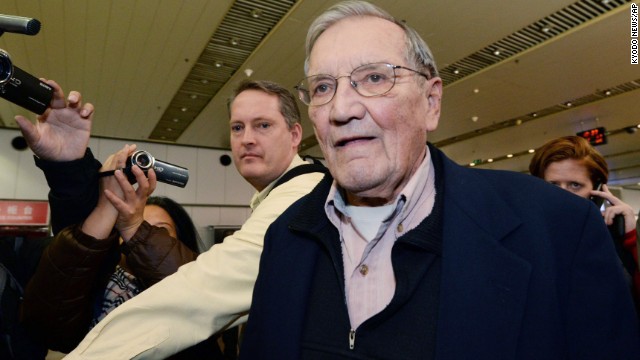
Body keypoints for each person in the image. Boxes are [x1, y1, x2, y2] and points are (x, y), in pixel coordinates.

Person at [235, 1, 640, 359]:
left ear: (431, 102)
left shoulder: (558, 230)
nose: (341, 107)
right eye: (323, 86)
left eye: (374, 78)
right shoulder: (283, 239)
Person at [25, 80, 325, 359]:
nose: (247, 139)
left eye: (263, 125)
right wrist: (70, 172)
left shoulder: (303, 196)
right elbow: (65, 287)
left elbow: (199, 291)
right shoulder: (279, 198)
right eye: (237, 127)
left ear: (295, 134)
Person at [528, 135, 640, 307]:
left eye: (575, 185)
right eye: (552, 186)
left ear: (596, 190)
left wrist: (632, 239)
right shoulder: (527, 240)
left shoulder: (616, 237)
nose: (562, 196)